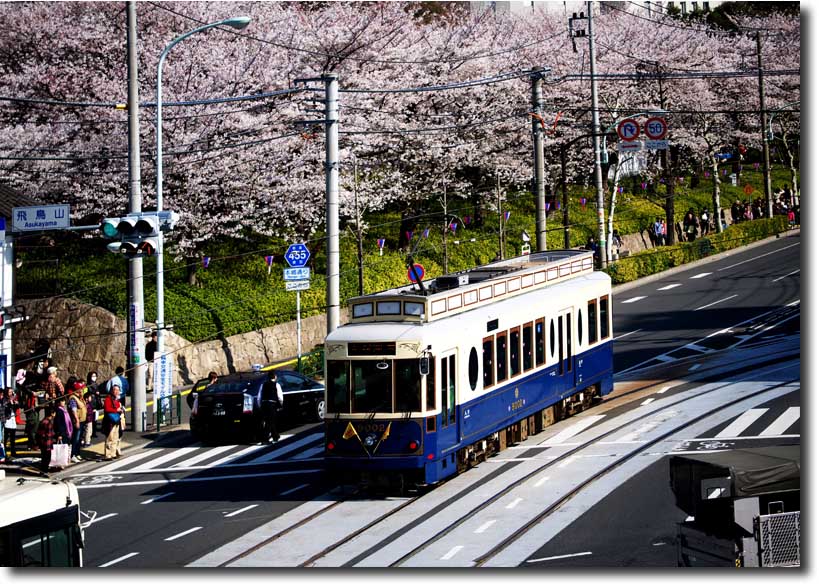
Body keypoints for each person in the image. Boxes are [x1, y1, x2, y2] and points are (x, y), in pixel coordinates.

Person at [102, 385, 125, 460]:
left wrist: (120, 409)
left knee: (115, 437)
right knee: (110, 438)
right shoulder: (108, 399)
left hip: (116, 421)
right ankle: (108, 454)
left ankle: (113, 453)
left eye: (118, 390)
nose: (117, 391)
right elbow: (107, 409)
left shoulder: (117, 399)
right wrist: (117, 410)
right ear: (112, 390)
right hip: (110, 421)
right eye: (115, 390)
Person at [260, 370, 284, 443]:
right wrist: (280, 404)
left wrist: (260, 405)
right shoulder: (276, 385)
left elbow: (259, 396)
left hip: (264, 404)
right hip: (272, 404)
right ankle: (265, 438)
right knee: (269, 422)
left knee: (270, 421)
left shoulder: (263, 385)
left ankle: (275, 436)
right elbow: (280, 397)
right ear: (275, 376)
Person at [67, 383, 87, 462]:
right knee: (76, 438)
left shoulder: (80, 397)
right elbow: (74, 410)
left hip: (82, 420)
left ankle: (77, 453)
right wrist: (77, 420)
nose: (82, 390)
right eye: (81, 389)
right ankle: (73, 454)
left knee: (79, 438)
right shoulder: (73, 398)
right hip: (77, 421)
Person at [35, 407, 57, 474]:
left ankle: (44, 471)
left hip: (43, 443)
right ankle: (44, 472)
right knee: (46, 458)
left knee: (44, 458)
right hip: (47, 443)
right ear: (52, 414)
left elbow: (39, 433)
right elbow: (49, 434)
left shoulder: (43, 421)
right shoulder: (48, 422)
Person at [3, 388, 21, 459]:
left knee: (12, 438)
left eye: (11, 392)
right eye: (9, 392)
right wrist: (10, 403)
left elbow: (16, 407)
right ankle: (4, 451)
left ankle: (13, 451)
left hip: (13, 420)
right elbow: (5, 408)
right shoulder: (4, 400)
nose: (11, 393)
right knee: (6, 438)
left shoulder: (13, 399)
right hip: (7, 420)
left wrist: (15, 404)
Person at [86, 371, 101, 438]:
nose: (94, 377)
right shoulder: (88, 384)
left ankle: (93, 432)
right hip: (92, 403)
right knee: (91, 419)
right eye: (93, 376)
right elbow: (89, 392)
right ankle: (91, 433)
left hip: (96, 402)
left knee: (95, 418)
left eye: (95, 376)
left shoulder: (95, 384)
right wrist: (95, 392)